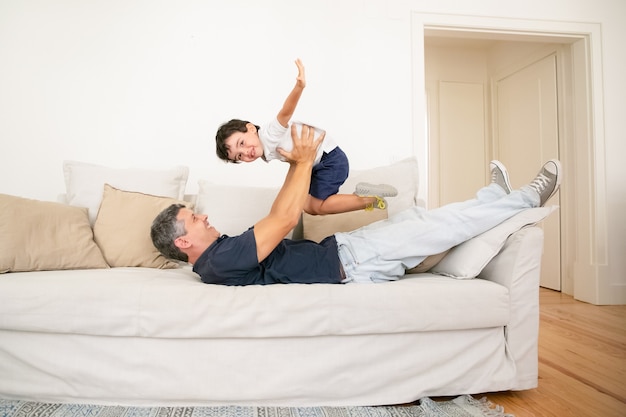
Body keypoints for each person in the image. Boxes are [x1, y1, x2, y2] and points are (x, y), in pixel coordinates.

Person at [152, 124, 561, 286]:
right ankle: (526, 198)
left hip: (347, 251)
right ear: (184, 242)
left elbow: (280, 213)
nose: (203, 215)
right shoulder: (219, 262)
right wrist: (305, 161)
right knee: (436, 229)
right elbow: (285, 216)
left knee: (421, 219)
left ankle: (493, 198)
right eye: (193, 217)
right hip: (354, 262)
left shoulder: (222, 253)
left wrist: (300, 165)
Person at [214, 59, 397, 215]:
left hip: (329, 159)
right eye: (239, 156)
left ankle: (371, 198)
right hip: (319, 163)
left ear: (251, 128)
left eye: (242, 143)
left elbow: (285, 112)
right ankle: (371, 197)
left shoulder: (269, 134)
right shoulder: (265, 150)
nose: (246, 152)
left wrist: (299, 87)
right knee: (308, 205)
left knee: (315, 206)